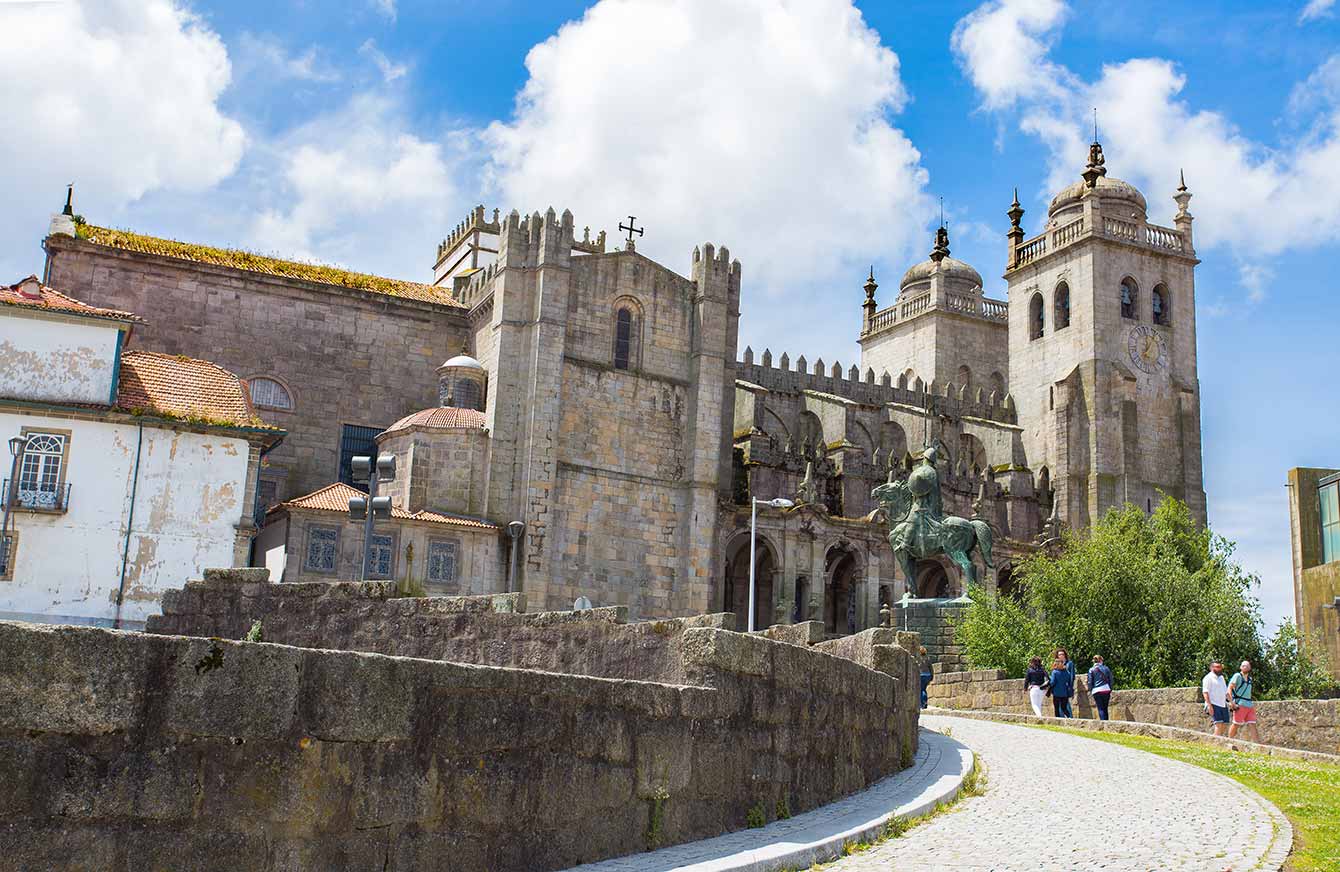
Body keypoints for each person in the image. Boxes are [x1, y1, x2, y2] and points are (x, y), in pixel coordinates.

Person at [1227, 660, 1259, 743]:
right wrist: (1231, 702)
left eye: (1247, 666)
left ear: (1250, 668)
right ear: (1240, 667)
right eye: (1244, 665)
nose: (1246, 667)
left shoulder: (1250, 679)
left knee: (1252, 723)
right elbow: (1229, 688)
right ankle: (1229, 741)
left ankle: (1257, 743)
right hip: (1240, 703)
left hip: (1249, 704)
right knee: (1236, 724)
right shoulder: (1237, 676)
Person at [1201, 660, 1230, 736]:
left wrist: (1232, 702)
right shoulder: (1208, 678)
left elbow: (1226, 692)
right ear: (1211, 668)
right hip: (1214, 703)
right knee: (1218, 724)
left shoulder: (1221, 678)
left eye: (1220, 667)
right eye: (1217, 667)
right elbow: (1205, 692)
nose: (1219, 669)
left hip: (1223, 704)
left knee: (1224, 725)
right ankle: (1215, 742)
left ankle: (1215, 739)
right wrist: (1209, 705)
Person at [1087, 655, 1114, 721]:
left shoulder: (1091, 669)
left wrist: (1090, 689)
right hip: (1106, 689)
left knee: (1100, 708)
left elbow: (1090, 681)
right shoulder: (1106, 668)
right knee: (1105, 708)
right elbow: (1111, 679)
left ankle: (1103, 723)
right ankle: (1107, 722)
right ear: (1101, 660)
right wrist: (1110, 688)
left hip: (1097, 690)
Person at [918, 645, 933, 710]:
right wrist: (932, 676)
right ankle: (924, 702)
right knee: (924, 689)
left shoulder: (918, 658)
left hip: (921, 675)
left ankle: (923, 703)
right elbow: (931, 668)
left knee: (921, 690)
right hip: (928, 675)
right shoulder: (927, 658)